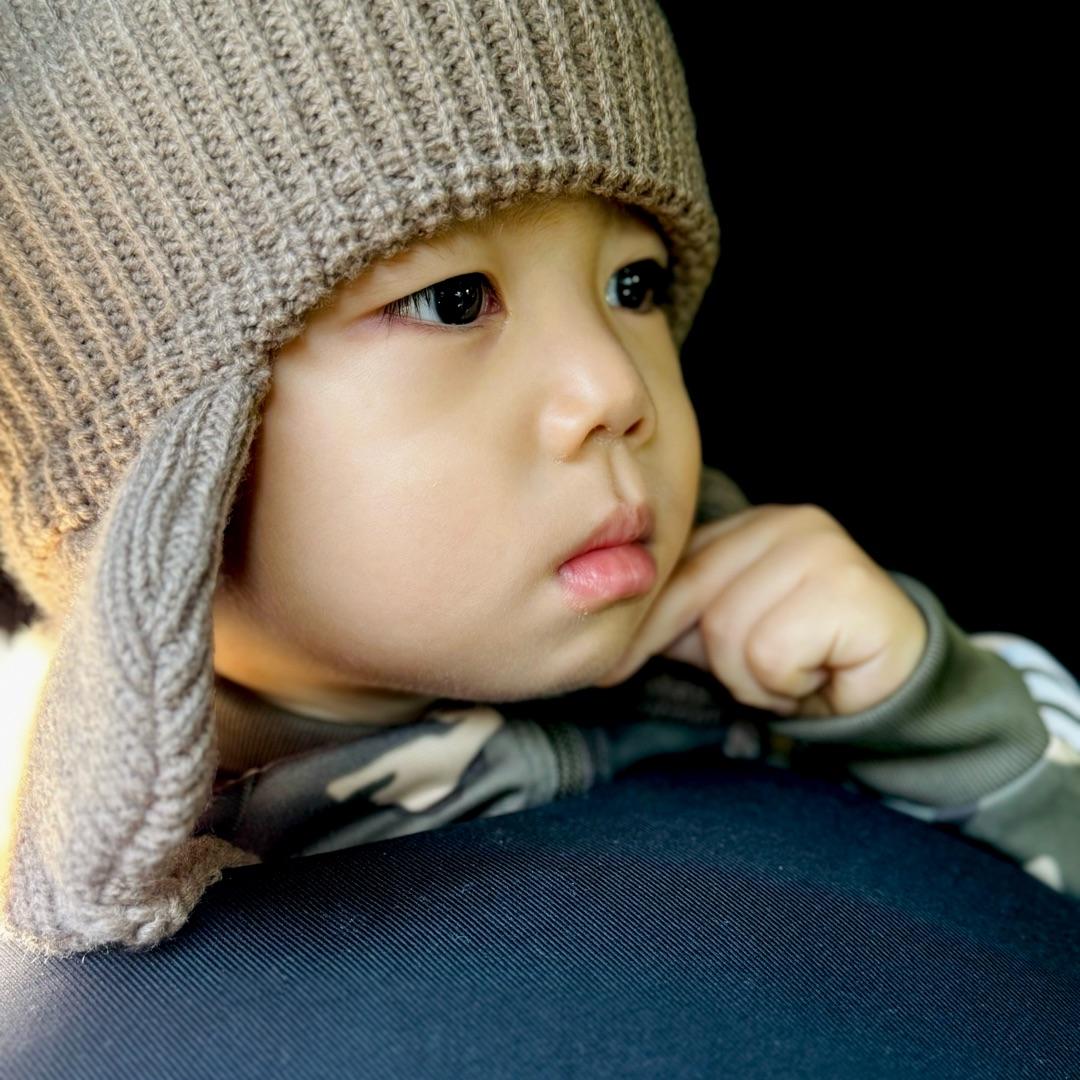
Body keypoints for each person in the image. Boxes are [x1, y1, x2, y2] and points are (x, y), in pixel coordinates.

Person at [0, 0, 1076, 963]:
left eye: (633, 285)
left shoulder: (778, 663)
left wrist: (944, 716)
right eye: (454, 301)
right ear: (160, 457)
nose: (616, 388)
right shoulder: (99, 952)